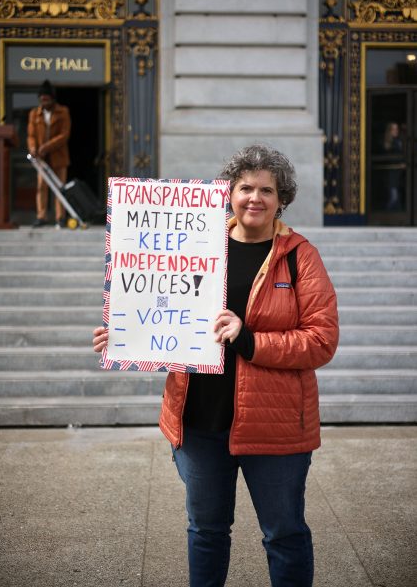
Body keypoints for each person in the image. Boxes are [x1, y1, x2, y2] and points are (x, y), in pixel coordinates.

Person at [93, 144, 339, 586]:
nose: (255, 198)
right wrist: (125, 331)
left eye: (267, 189)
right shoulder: (194, 244)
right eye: (246, 187)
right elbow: (160, 308)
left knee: (284, 534)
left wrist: (249, 340)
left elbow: (321, 341)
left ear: (282, 198)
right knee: (205, 532)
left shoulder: (301, 257)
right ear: (229, 193)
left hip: (275, 427)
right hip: (200, 423)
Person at [27, 80, 71, 228]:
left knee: (60, 187)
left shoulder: (63, 112)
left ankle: (60, 217)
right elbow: (31, 135)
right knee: (41, 187)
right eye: (42, 99)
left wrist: (46, 147)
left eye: (47, 99)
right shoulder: (34, 114)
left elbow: (64, 135)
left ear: (52, 99)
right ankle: (41, 216)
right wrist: (33, 148)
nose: (44, 102)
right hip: (41, 158)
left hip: (58, 156)